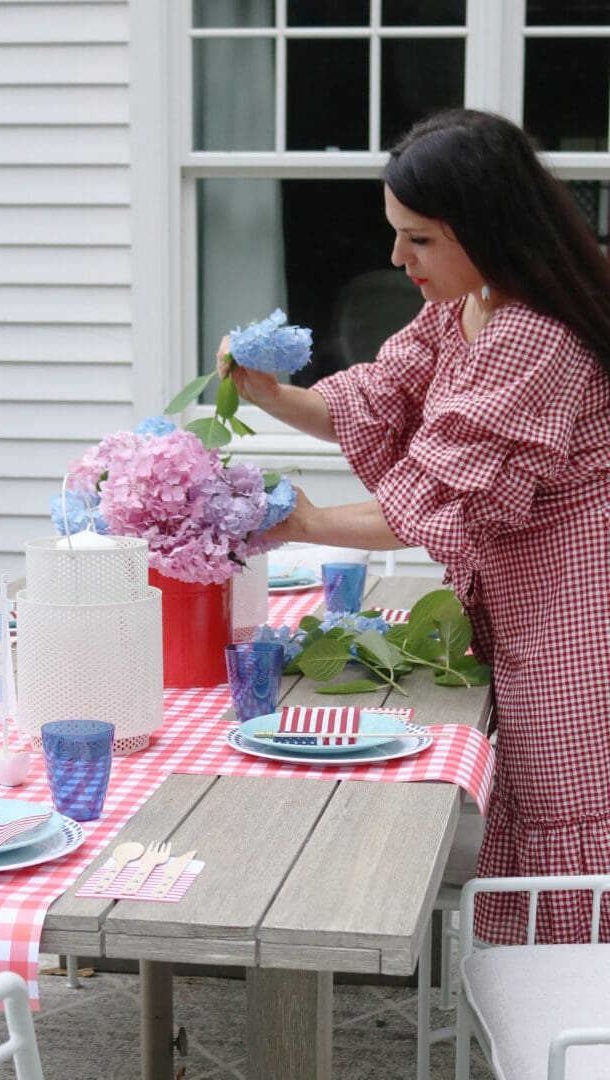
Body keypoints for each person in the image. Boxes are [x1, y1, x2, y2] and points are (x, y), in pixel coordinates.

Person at [217, 108, 610, 946]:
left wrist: (303, 522)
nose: (398, 258)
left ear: (488, 228)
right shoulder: (469, 307)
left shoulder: (532, 334)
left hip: (580, 607)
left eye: (419, 239)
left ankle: (572, 1019)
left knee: (573, 808)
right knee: (543, 803)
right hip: (532, 596)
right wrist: (268, 393)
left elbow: (437, 491)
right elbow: (376, 397)